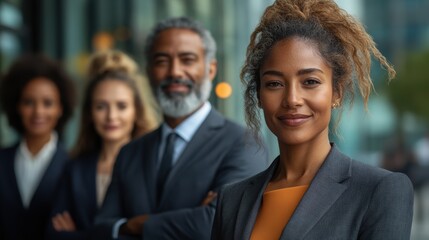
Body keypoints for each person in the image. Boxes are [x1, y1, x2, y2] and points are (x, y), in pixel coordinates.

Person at [212, 0, 414, 239]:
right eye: (274, 84)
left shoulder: (379, 190)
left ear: (336, 92)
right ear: (259, 96)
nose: (292, 99)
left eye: (310, 82)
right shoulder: (232, 199)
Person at [93, 17, 269, 240]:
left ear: (211, 69)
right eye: (162, 61)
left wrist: (136, 225)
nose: (175, 72)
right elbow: (100, 230)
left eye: (187, 60)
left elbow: (219, 226)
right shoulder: (131, 152)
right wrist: (191, 218)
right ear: (148, 71)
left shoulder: (243, 143)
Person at [45, 50, 160, 239]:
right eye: (101, 106)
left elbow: (158, 231)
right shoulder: (75, 168)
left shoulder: (154, 163)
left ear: (136, 111)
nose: (111, 116)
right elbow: (54, 235)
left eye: (121, 106)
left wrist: (80, 235)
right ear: (89, 113)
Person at [0, 54, 75, 240]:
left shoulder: (74, 164)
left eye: (48, 103)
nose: (38, 112)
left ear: (60, 108)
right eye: (28, 102)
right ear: (17, 106)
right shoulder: (1, 160)